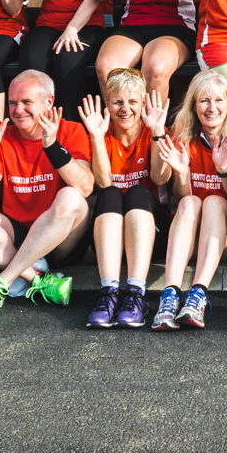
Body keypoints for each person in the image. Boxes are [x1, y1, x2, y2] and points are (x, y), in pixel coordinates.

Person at [0, 71, 93, 320]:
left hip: (61, 238)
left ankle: (3, 282)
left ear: (48, 102)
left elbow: (85, 187)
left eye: (27, 102)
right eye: (12, 103)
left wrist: (52, 146)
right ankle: (39, 279)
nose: (18, 110)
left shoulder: (71, 130)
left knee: (71, 197)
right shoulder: (2, 135)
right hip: (19, 236)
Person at [149, 70, 227, 329]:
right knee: (189, 203)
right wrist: (182, 173)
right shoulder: (183, 136)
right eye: (204, 101)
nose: (212, 108)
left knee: (213, 202)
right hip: (198, 236)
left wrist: (223, 171)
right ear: (194, 106)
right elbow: (183, 197)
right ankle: (170, 295)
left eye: (218, 100)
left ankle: (198, 295)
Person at [78, 70, 166, 328]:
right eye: (117, 102)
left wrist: (159, 132)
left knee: (138, 192)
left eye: (133, 102)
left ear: (143, 104)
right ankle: (109, 294)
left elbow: (161, 178)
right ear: (107, 104)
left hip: (152, 236)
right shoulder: (101, 135)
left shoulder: (155, 132)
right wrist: (95, 135)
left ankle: (136, 294)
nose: (125, 109)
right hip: (111, 241)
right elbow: (104, 183)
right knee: (111, 193)